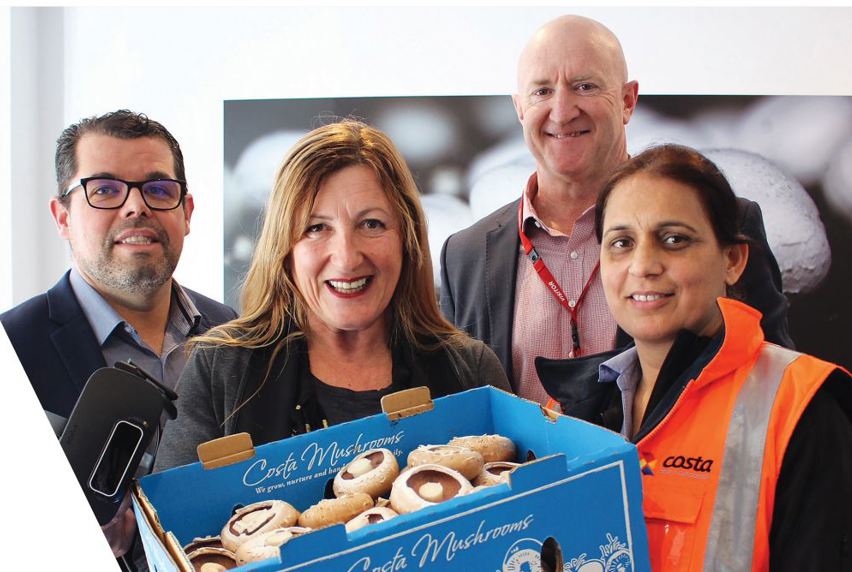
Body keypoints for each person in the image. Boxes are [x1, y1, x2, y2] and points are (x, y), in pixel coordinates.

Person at [439, 15, 792, 406]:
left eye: (584, 86)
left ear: (627, 101)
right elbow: (463, 411)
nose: (561, 111)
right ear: (519, 108)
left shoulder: (724, 227)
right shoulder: (466, 256)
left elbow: (773, 388)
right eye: (541, 91)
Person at [536, 144, 852, 570]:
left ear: (733, 260)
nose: (643, 264)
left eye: (674, 240)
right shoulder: (566, 415)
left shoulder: (804, 406)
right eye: (622, 243)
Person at [154, 120, 511, 471]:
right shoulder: (220, 370)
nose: (346, 257)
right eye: (316, 228)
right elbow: (174, 522)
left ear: (407, 239)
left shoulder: (470, 371)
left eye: (371, 224)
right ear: (285, 247)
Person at [0, 110, 237, 568]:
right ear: (62, 216)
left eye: (158, 189)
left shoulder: (232, 332)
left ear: (186, 213)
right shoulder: (12, 347)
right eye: (105, 190)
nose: (136, 207)